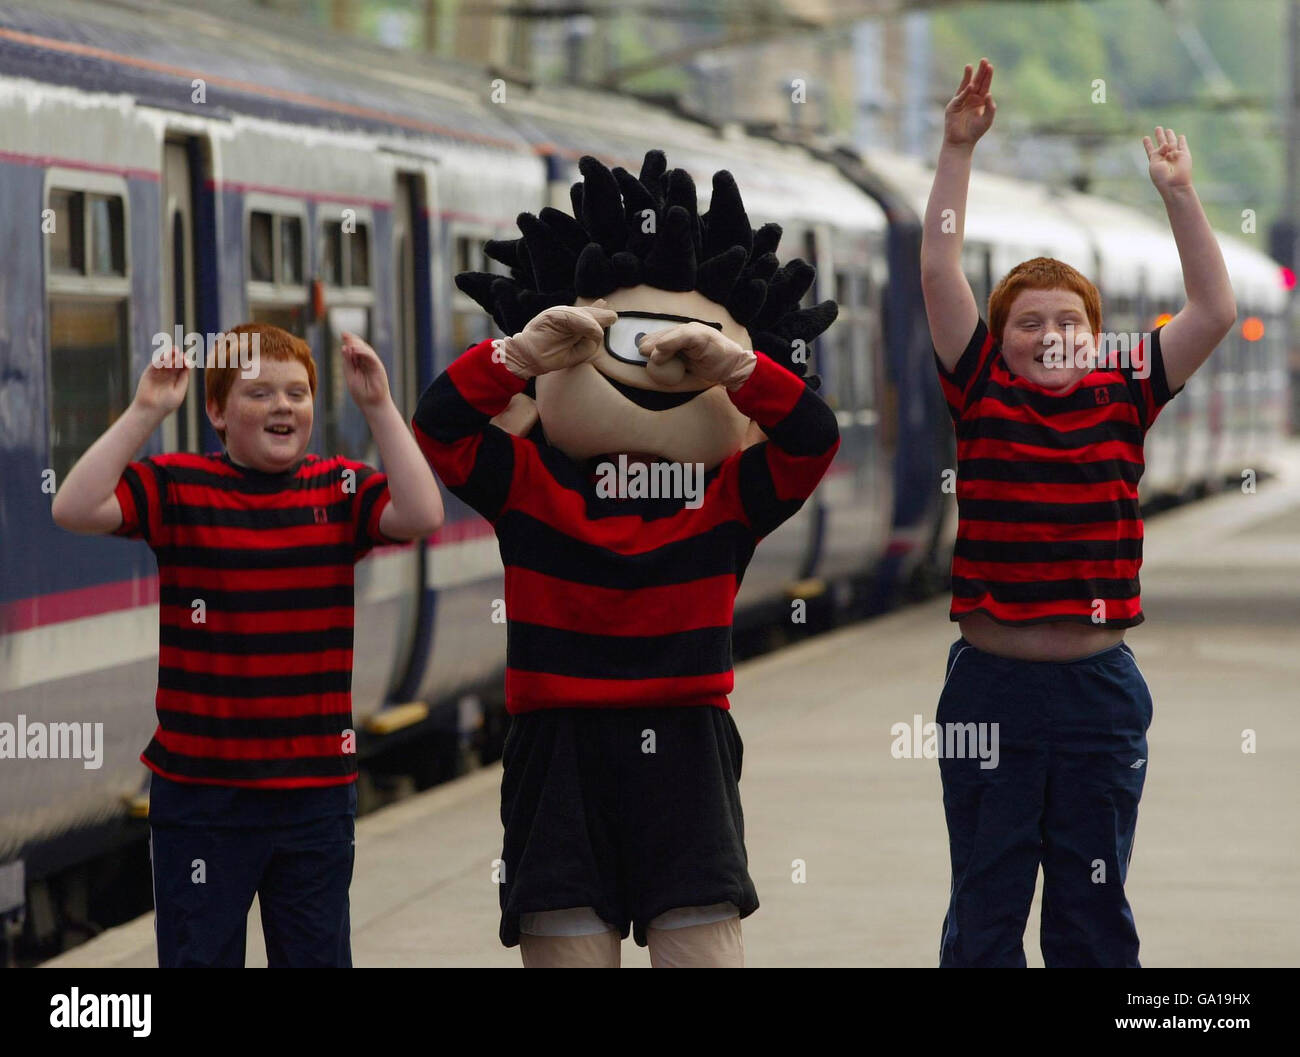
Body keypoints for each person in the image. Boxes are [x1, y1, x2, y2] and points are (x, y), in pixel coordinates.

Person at [408, 150, 841, 966]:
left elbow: (813, 441)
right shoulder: (530, 484)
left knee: (700, 952)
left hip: (686, 744)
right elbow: (439, 428)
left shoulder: (724, 499)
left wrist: (739, 368)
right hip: (559, 749)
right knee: (570, 948)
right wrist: (519, 356)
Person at [920, 59, 1237, 967]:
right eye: (1028, 320)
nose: (1050, 331)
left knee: (1092, 918)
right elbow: (941, 262)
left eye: (1069, 319)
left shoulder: (1129, 388)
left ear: (1097, 339)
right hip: (990, 691)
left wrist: (1178, 194)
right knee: (984, 912)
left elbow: (1214, 308)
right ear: (999, 336)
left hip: (1099, 696)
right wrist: (956, 149)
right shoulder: (977, 387)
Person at [51, 323, 443, 967]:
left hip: (313, 793)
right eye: (258, 394)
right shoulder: (177, 488)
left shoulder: (340, 489)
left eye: (297, 392)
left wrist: (378, 405)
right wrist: (147, 409)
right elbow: (73, 506)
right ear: (216, 412)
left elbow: (423, 513)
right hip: (202, 796)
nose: (282, 406)